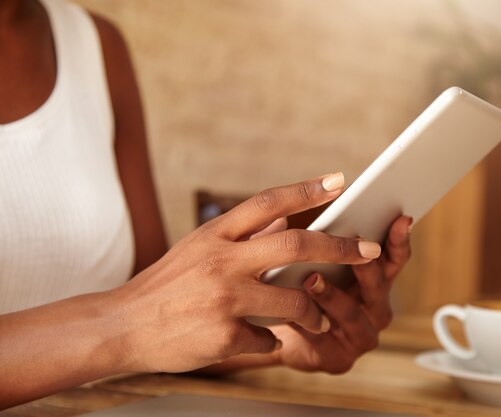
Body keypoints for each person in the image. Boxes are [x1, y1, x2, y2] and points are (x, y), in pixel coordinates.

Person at [0, 0, 412, 408]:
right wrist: (123, 323)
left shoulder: (95, 44)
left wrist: (280, 339)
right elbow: (136, 318)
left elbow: (154, 317)